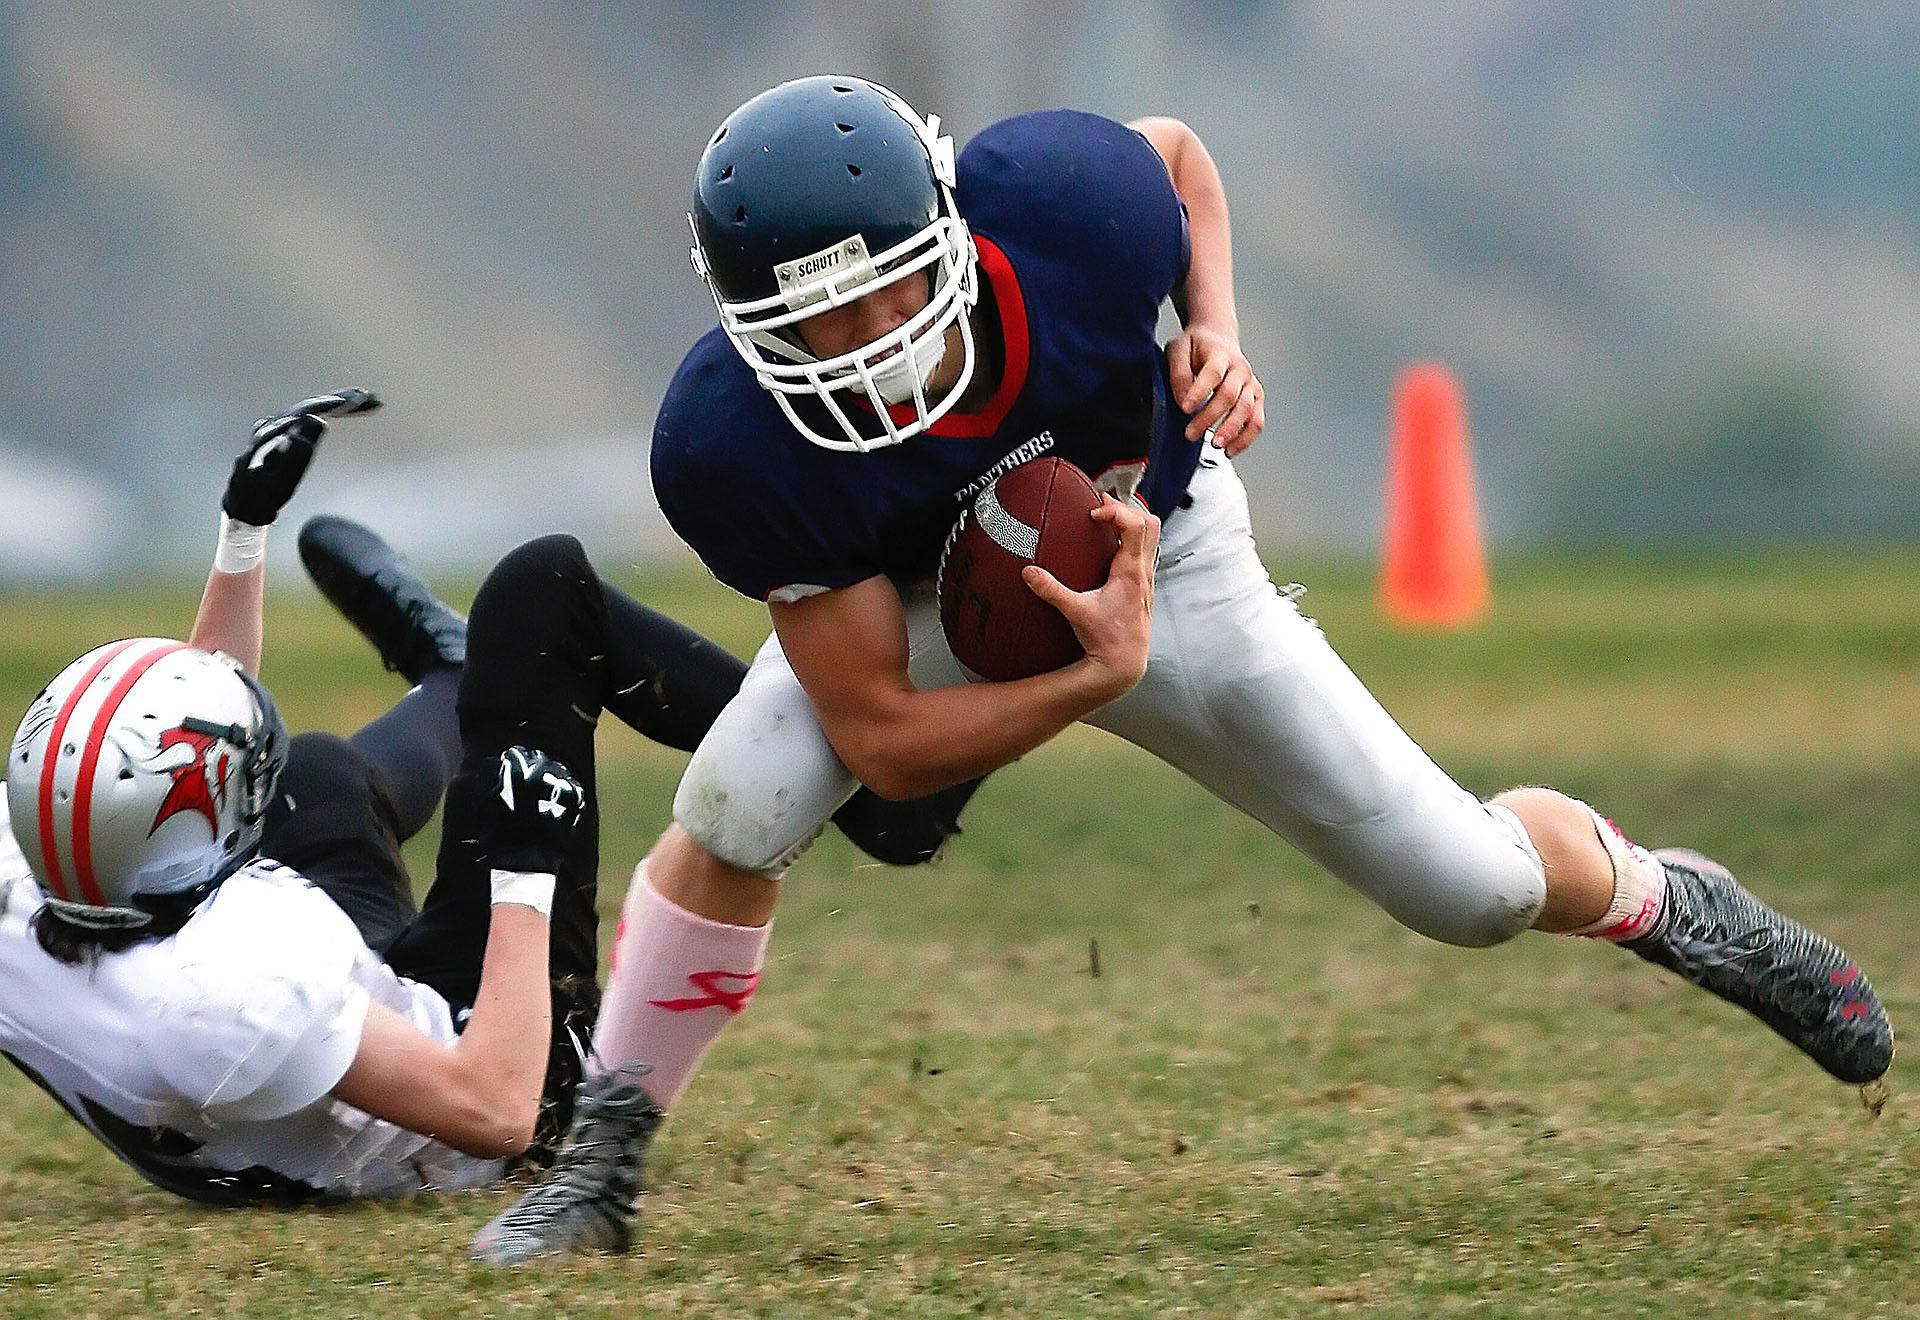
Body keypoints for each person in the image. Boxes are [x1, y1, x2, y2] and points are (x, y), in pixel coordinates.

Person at [473, 75, 1895, 1263]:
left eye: (888, 295)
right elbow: (889, 747)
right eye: (812, 328)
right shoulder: (733, 447)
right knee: (741, 794)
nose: (866, 353)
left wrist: (1214, 324)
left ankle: (1667, 896)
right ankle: (606, 1163)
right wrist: (1089, 683)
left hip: (1163, 540)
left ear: (955, 232)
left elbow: (1176, 159)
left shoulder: (1067, 208)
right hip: (920, 599)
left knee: (1473, 891)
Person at [0, 388, 969, 1203]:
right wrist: (524, 867)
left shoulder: (55, 888)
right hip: (487, 1066)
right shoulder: (234, 999)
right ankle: (881, 793)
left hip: (321, 1046)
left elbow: (198, 749)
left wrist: (243, 534)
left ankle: (468, 680)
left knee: (315, 774)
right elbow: (499, 1110)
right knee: (543, 587)